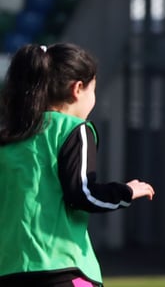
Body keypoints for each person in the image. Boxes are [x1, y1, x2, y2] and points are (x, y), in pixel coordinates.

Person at [0, 43, 155, 287]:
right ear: (78, 89)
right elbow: (82, 193)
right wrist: (126, 192)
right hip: (62, 268)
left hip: (9, 270)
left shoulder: (8, 137)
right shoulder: (73, 130)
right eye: (93, 90)